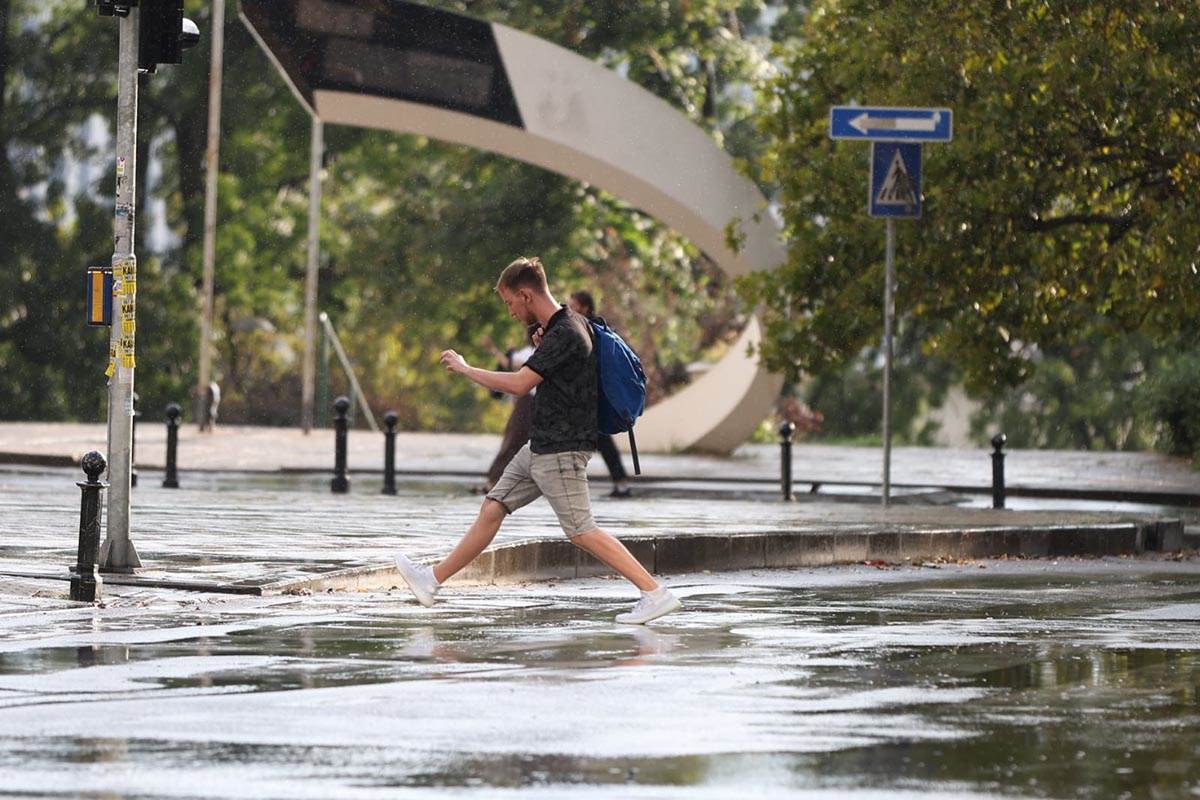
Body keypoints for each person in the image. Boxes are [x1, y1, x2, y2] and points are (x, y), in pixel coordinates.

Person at [393, 256, 682, 625]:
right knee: (493, 507)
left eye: (510, 302)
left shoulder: (565, 333)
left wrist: (467, 370)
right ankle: (431, 580)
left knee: (582, 531)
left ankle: (654, 592)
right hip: (540, 446)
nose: (510, 311)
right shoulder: (566, 326)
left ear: (526, 295)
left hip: (560, 451)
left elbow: (519, 384)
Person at [568, 290, 633, 498]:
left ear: (584, 307)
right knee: (596, 442)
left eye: (573, 305)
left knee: (595, 441)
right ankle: (619, 482)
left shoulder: (587, 330)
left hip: (592, 397)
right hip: (592, 396)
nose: (569, 309)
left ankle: (619, 482)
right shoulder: (594, 328)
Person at [479, 325, 538, 493]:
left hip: (529, 403)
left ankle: (496, 480)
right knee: (515, 441)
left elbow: (510, 363)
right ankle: (496, 480)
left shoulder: (533, 353)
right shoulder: (532, 352)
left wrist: (492, 349)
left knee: (514, 440)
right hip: (529, 402)